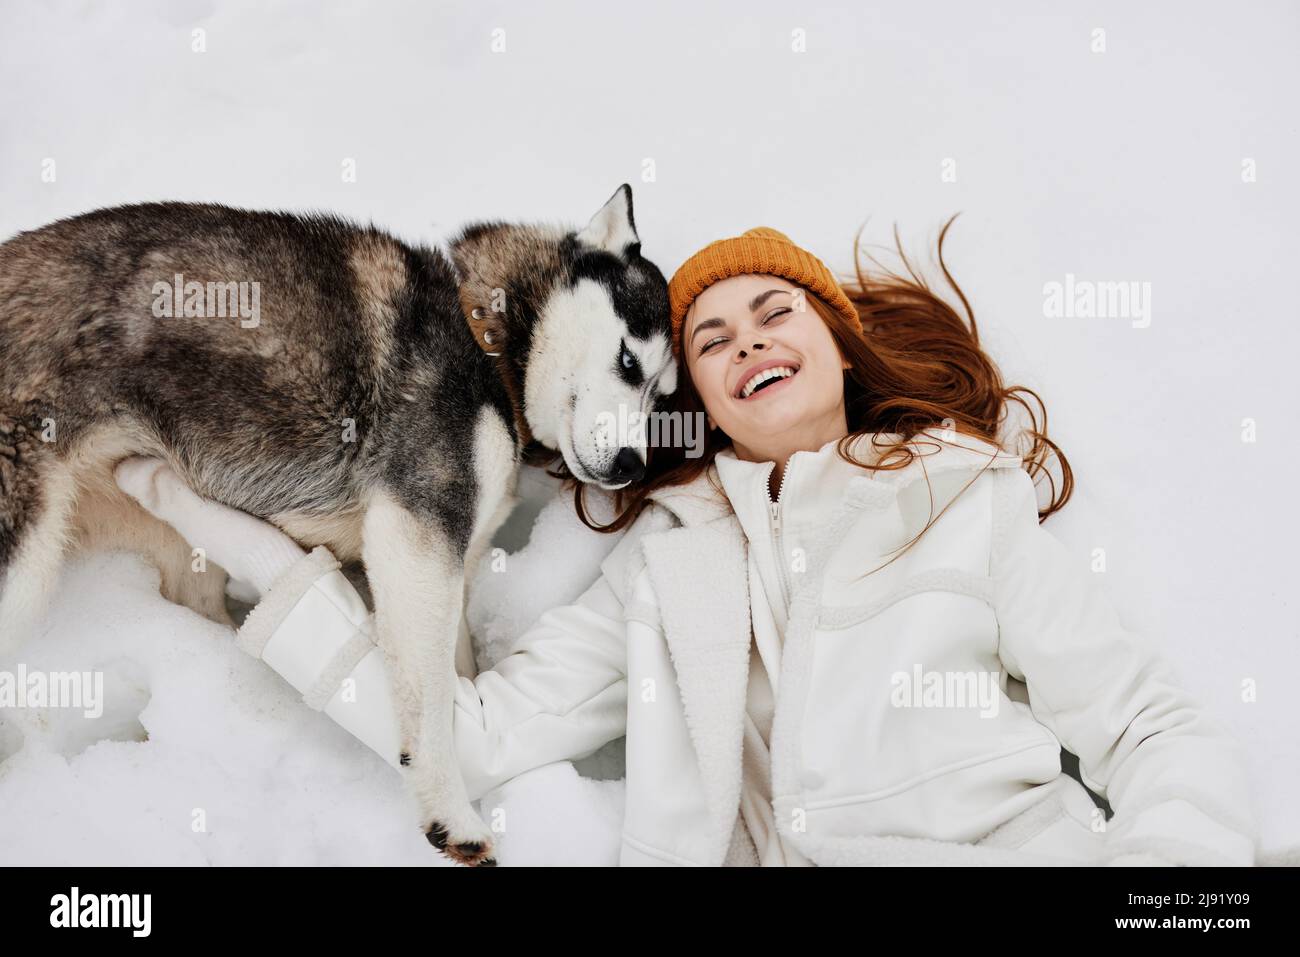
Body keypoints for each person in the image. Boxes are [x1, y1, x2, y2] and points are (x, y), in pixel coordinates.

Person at [116, 224, 1257, 867]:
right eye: (712, 339)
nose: (749, 342)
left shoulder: (963, 503)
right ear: (697, 399)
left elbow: (1147, 729)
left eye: (776, 314)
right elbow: (477, 733)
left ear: (835, 347)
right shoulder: (663, 572)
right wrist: (266, 564)